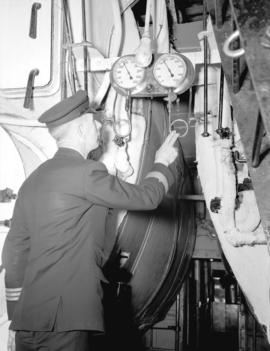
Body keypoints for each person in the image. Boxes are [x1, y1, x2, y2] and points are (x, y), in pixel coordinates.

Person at [1, 90, 179, 351]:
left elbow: (14, 253)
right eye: (95, 121)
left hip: (28, 321)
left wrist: (17, 316)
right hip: (67, 319)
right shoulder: (86, 173)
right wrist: (162, 164)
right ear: (82, 128)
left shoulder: (32, 181)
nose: (99, 127)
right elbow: (147, 198)